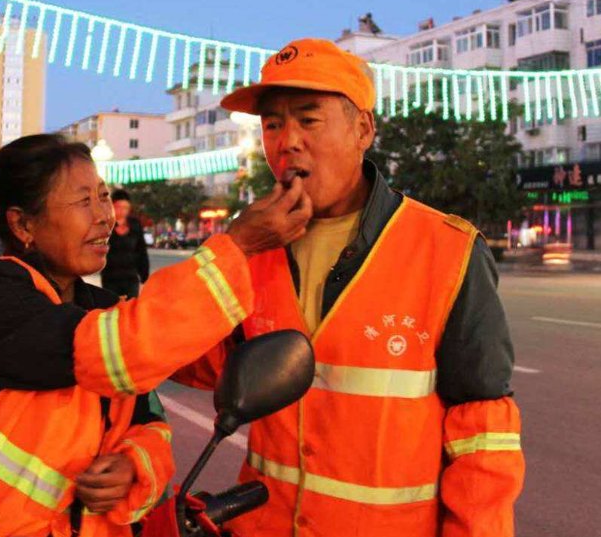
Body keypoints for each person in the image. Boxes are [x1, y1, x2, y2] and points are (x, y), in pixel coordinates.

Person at [0, 134, 309, 537]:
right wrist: (237, 247)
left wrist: (133, 465)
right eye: (83, 201)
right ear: (23, 226)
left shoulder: (101, 308)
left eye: (103, 196)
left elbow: (153, 419)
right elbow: (117, 349)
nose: (104, 216)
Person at [173, 38, 525, 536]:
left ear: (363, 129)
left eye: (308, 120)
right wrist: (230, 248)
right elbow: (194, 360)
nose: (287, 141)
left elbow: (483, 434)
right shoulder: (253, 245)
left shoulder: (448, 250)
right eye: (272, 125)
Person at [101, 189, 149, 298]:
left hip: (130, 277)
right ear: (112, 206)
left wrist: (144, 276)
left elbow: (142, 251)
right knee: (112, 306)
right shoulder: (105, 224)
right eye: (119, 207)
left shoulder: (135, 225)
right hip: (110, 278)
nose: (122, 211)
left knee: (131, 306)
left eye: (125, 208)